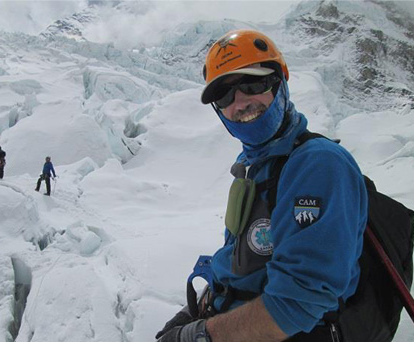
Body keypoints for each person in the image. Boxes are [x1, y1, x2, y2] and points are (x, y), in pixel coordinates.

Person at [155, 30, 368, 342]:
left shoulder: (318, 165)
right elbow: (248, 257)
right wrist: (204, 304)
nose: (240, 102)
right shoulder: (257, 164)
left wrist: (200, 335)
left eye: (253, 83)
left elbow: (296, 304)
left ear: (280, 82)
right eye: (224, 96)